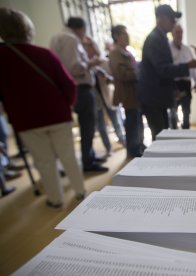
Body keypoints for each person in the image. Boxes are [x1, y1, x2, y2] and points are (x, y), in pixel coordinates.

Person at [0, 8, 86, 207]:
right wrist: (67, 105)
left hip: (26, 119)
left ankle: (56, 200)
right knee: (68, 156)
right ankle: (81, 192)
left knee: (44, 162)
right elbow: (69, 84)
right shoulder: (44, 54)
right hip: (57, 114)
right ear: (27, 29)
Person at [50, 17, 108, 172]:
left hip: (69, 89)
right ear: (80, 28)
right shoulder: (71, 39)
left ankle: (89, 155)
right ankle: (88, 161)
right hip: (81, 88)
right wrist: (92, 63)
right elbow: (74, 67)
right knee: (87, 126)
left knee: (85, 126)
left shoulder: (56, 38)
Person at [138, 4, 196, 140]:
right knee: (160, 138)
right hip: (153, 98)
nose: (174, 23)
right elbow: (163, 69)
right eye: (172, 19)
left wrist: (173, 88)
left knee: (163, 134)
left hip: (157, 97)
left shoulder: (160, 37)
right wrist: (186, 66)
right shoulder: (155, 39)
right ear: (162, 18)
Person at [82, 36, 126, 157]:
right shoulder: (84, 64)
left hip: (108, 96)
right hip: (95, 100)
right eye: (85, 46)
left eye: (90, 45)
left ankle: (123, 140)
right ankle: (108, 147)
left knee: (116, 121)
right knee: (100, 125)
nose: (88, 48)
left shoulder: (104, 62)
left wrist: (106, 77)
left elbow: (114, 78)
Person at [109, 25, 146, 158]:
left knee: (137, 122)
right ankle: (133, 150)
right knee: (131, 123)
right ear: (116, 36)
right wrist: (138, 72)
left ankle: (139, 145)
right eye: (124, 34)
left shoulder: (127, 52)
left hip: (135, 93)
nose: (127, 36)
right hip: (128, 94)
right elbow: (121, 74)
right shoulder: (115, 53)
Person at [169, 24, 196, 129]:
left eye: (181, 32)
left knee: (186, 112)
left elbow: (193, 67)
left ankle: (186, 132)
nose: (179, 35)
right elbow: (168, 68)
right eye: (177, 32)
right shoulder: (168, 48)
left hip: (186, 84)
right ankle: (174, 133)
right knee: (173, 113)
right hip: (174, 84)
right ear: (172, 33)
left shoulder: (187, 49)